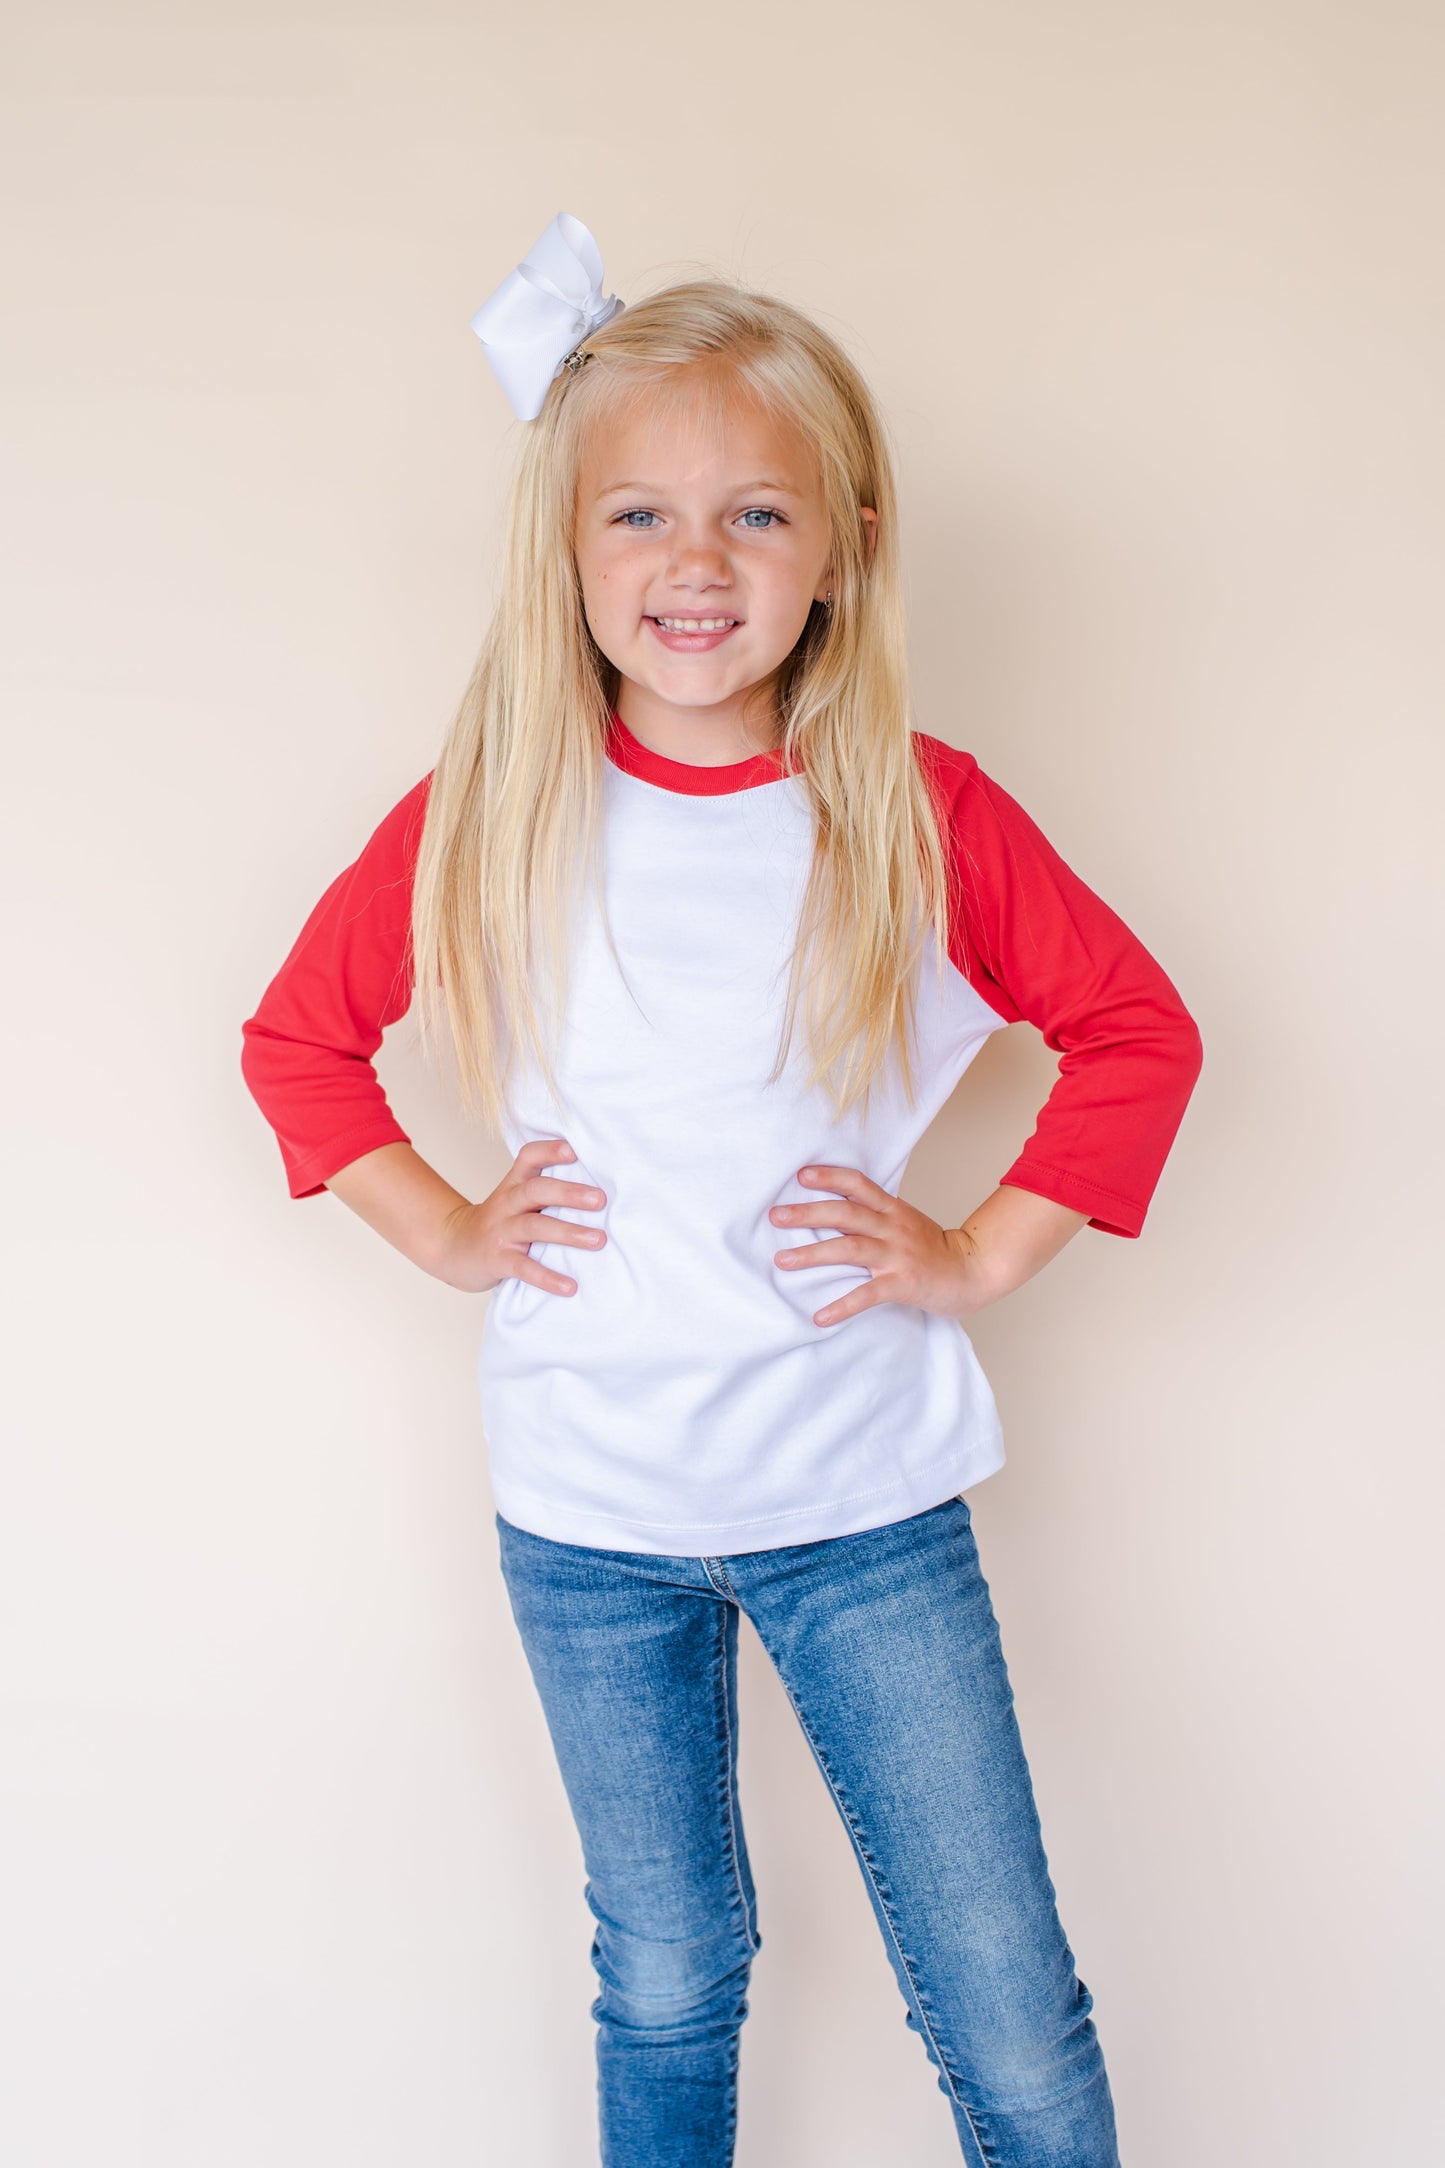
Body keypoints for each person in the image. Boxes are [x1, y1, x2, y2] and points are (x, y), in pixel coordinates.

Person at [240, 214, 1203, 2168]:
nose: (697, 564)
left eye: (756, 515)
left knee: (1001, 2003)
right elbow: (295, 1045)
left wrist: (976, 1252)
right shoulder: (491, 814)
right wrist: (451, 1231)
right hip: (585, 1518)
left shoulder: (919, 813)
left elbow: (1138, 1034)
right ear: (566, 550)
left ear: (843, 545)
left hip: (861, 1508)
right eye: (642, 517)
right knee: (669, 1972)